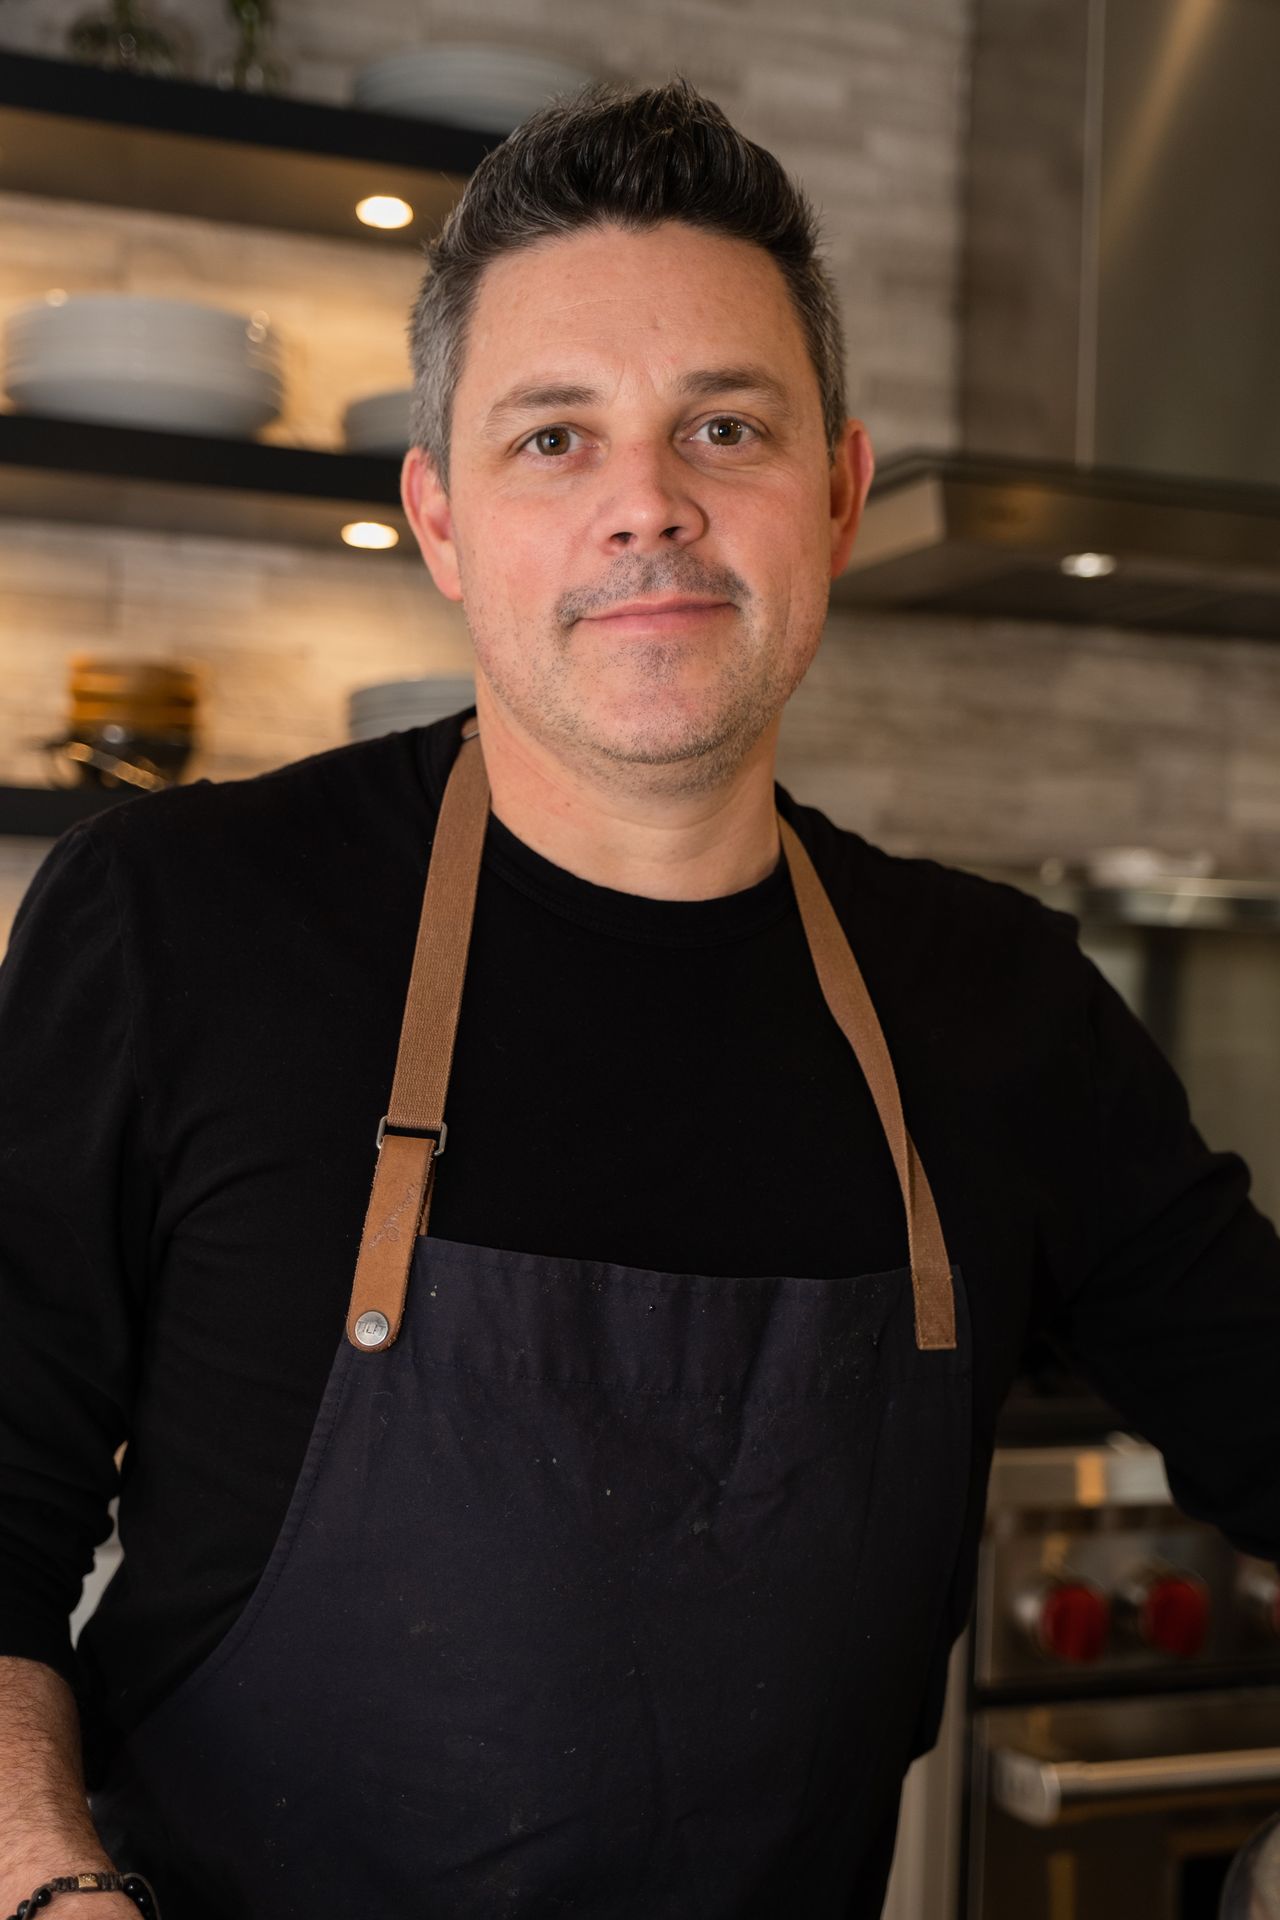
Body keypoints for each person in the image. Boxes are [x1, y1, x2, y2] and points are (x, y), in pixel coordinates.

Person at [1, 76, 1278, 1920]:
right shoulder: (177, 923)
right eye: (554, 439)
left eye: (724, 428)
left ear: (836, 496)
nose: (647, 508)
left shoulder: (1003, 1005)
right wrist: (51, 1892)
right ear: (441, 520)